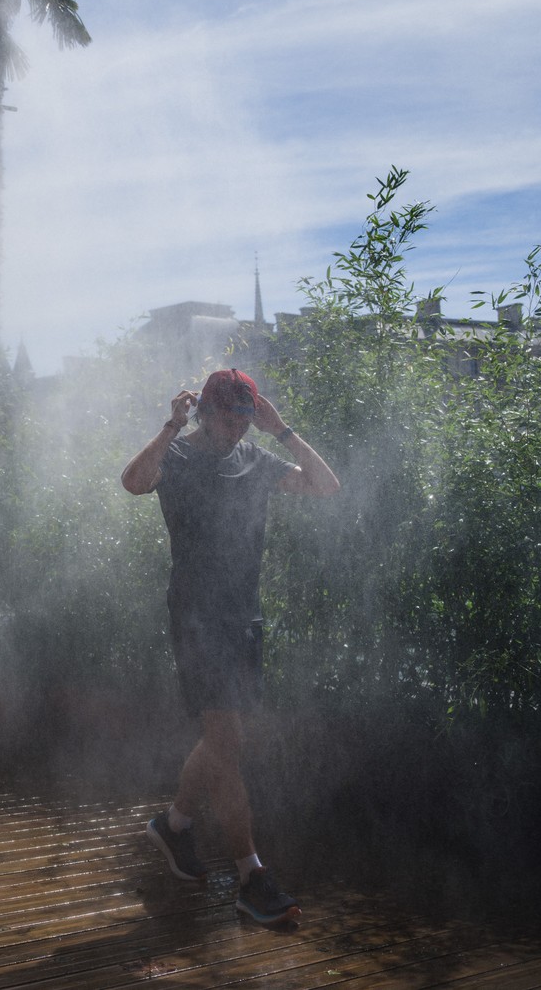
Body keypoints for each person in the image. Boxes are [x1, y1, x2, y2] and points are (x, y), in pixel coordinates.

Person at [121, 367, 340, 927]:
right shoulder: (179, 456)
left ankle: (172, 827)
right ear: (203, 412)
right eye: (227, 418)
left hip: (244, 618)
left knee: (220, 739)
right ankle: (251, 877)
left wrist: (282, 430)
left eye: (245, 419)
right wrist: (170, 425)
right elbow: (133, 482)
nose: (238, 430)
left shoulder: (257, 459)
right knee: (228, 741)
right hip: (195, 619)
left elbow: (325, 486)